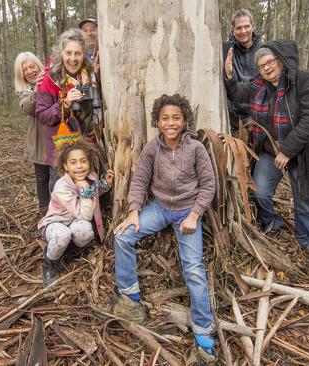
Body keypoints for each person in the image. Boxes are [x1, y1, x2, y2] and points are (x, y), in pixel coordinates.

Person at [108, 94, 218, 365]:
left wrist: (194, 215)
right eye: (165, 118)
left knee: (193, 268)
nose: (171, 123)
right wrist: (134, 211)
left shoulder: (195, 148)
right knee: (123, 235)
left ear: (184, 121)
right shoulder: (151, 148)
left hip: (186, 211)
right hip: (159, 208)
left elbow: (208, 185)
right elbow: (140, 179)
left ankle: (204, 336)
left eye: (176, 118)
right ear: (157, 121)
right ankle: (131, 298)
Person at [224, 39, 309, 255]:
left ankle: (307, 244)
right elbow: (236, 93)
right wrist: (229, 76)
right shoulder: (258, 87)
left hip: (303, 152)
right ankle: (273, 223)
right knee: (259, 191)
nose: (267, 68)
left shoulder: (304, 80)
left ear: (280, 61)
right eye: (261, 66)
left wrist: (288, 149)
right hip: (271, 152)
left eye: (270, 62)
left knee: (305, 202)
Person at [38, 140, 114, 285]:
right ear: (66, 166)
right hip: (56, 223)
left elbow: (96, 192)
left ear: (89, 163)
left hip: (74, 222)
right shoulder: (61, 186)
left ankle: (67, 251)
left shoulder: (91, 177)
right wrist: (84, 188)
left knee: (85, 231)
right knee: (62, 235)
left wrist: (106, 184)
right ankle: (50, 263)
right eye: (73, 162)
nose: (79, 166)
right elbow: (85, 214)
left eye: (83, 161)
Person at [35, 28, 102, 168]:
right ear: (61, 53)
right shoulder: (50, 78)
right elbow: (42, 115)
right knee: (62, 190)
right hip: (61, 152)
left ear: (84, 54)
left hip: (89, 149)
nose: (73, 59)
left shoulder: (91, 74)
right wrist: (64, 104)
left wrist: (98, 78)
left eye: (78, 53)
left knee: (90, 189)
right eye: (68, 53)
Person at [13, 52, 57, 217]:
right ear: (21, 74)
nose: (30, 71)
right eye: (25, 69)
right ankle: (45, 214)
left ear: (39, 65)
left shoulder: (52, 79)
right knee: (42, 179)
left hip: (57, 138)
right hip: (38, 142)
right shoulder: (24, 91)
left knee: (57, 177)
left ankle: (59, 211)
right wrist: (38, 90)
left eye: (32, 66)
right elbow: (28, 108)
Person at [223, 8, 263, 135]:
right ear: (232, 30)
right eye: (239, 28)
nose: (243, 31)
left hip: (258, 117)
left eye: (247, 26)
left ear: (253, 27)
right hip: (232, 119)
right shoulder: (225, 50)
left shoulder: (264, 51)